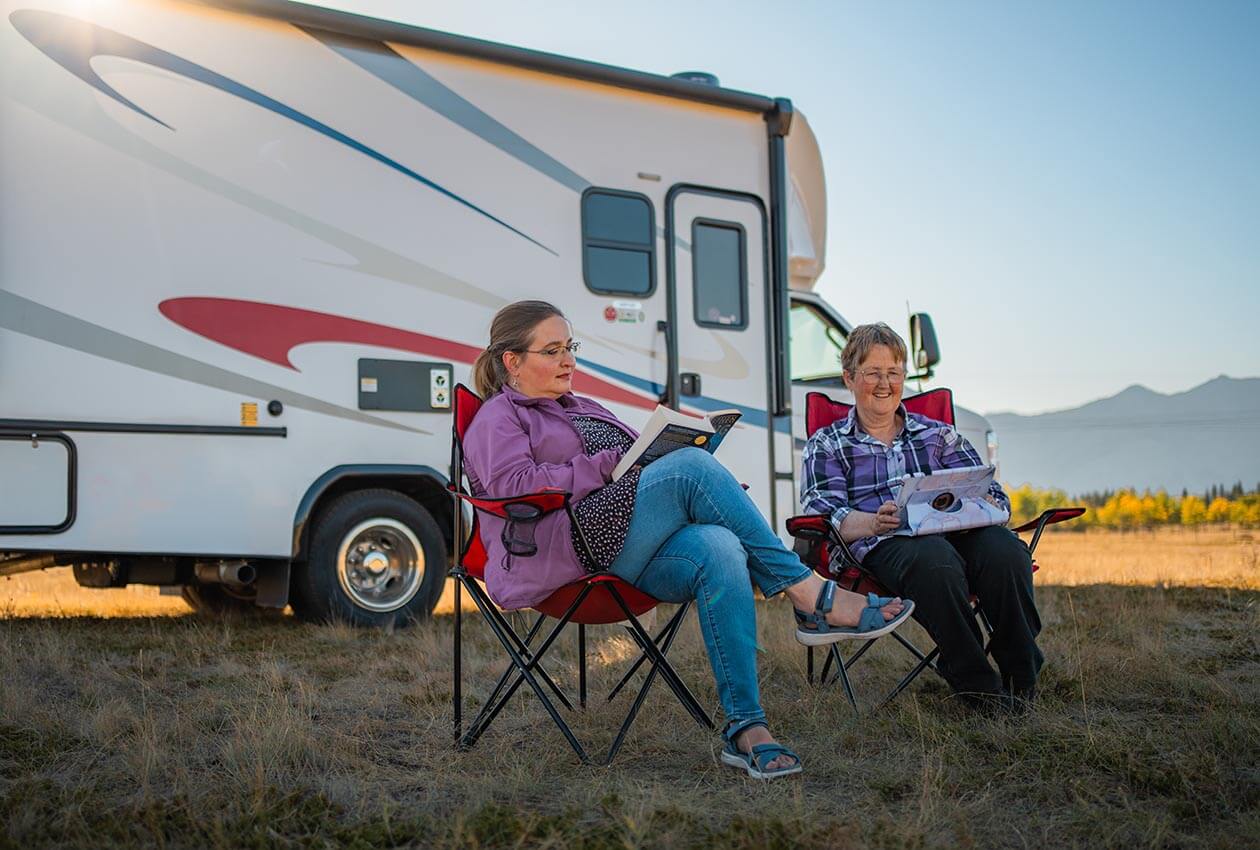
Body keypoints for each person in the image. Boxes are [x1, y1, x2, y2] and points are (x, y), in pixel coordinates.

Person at [462, 301, 915, 779]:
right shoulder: (499, 417)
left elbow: (639, 460)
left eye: (569, 347)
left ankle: (747, 727)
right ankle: (811, 595)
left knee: (720, 543)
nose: (568, 360)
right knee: (692, 470)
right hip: (568, 549)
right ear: (512, 361)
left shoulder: (581, 406)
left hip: (626, 542)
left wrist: (697, 477)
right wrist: (616, 467)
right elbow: (513, 486)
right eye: (552, 351)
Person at [800, 322, 1040, 712]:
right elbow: (821, 513)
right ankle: (978, 686)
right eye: (872, 373)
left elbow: (993, 495)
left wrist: (971, 509)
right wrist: (873, 521)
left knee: (1006, 553)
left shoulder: (939, 435)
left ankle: (1022, 675)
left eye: (893, 373)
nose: (884, 384)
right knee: (934, 562)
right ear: (849, 378)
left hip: (956, 531)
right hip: (883, 542)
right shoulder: (828, 443)